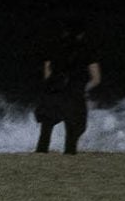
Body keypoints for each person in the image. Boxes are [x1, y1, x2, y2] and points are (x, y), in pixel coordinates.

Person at [34, 21, 101, 154]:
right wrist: (84, 89)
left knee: (46, 130)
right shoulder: (87, 50)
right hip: (74, 92)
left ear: (64, 33)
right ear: (81, 34)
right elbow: (96, 79)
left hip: (53, 90)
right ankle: (68, 155)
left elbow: (47, 74)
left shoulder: (53, 48)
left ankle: (41, 153)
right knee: (72, 132)